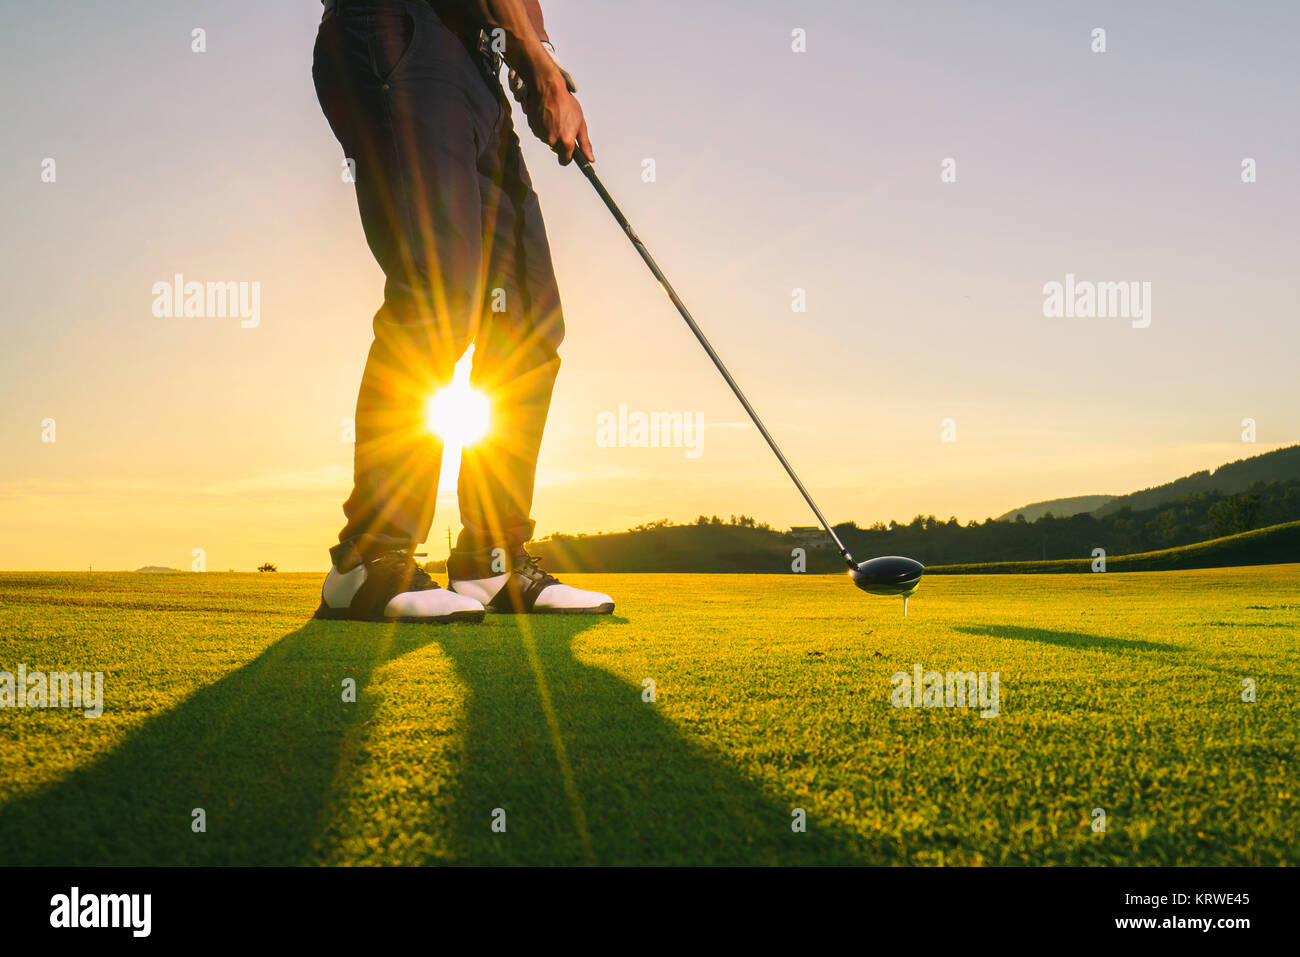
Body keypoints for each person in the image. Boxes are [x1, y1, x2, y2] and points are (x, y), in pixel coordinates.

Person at [311, 0, 612, 621]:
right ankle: (368, 557)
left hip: (476, 62)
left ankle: (491, 559)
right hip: (396, 29)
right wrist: (543, 70)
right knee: (439, 293)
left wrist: (533, 66)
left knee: (527, 316)